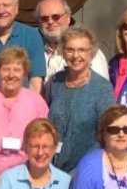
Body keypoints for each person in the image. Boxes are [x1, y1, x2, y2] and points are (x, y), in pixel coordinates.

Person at [0, 45, 50, 189]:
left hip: (26, 180)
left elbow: (44, 142)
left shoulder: (37, 103)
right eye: (6, 69)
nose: (11, 75)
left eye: (17, 70)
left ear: (24, 74)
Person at [42, 24, 115, 174]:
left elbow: (107, 133)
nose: (76, 56)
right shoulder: (55, 82)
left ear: (91, 53)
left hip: (85, 169)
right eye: (70, 50)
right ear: (63, 52)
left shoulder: (101, 87)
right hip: (52, 166)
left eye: (82, 50)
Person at [38, 0, 107, 80]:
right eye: (44, 18)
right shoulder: (33, 50)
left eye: (56, 17)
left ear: (68, 18)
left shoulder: (89, 52)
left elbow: (100, 86)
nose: (50, 22)